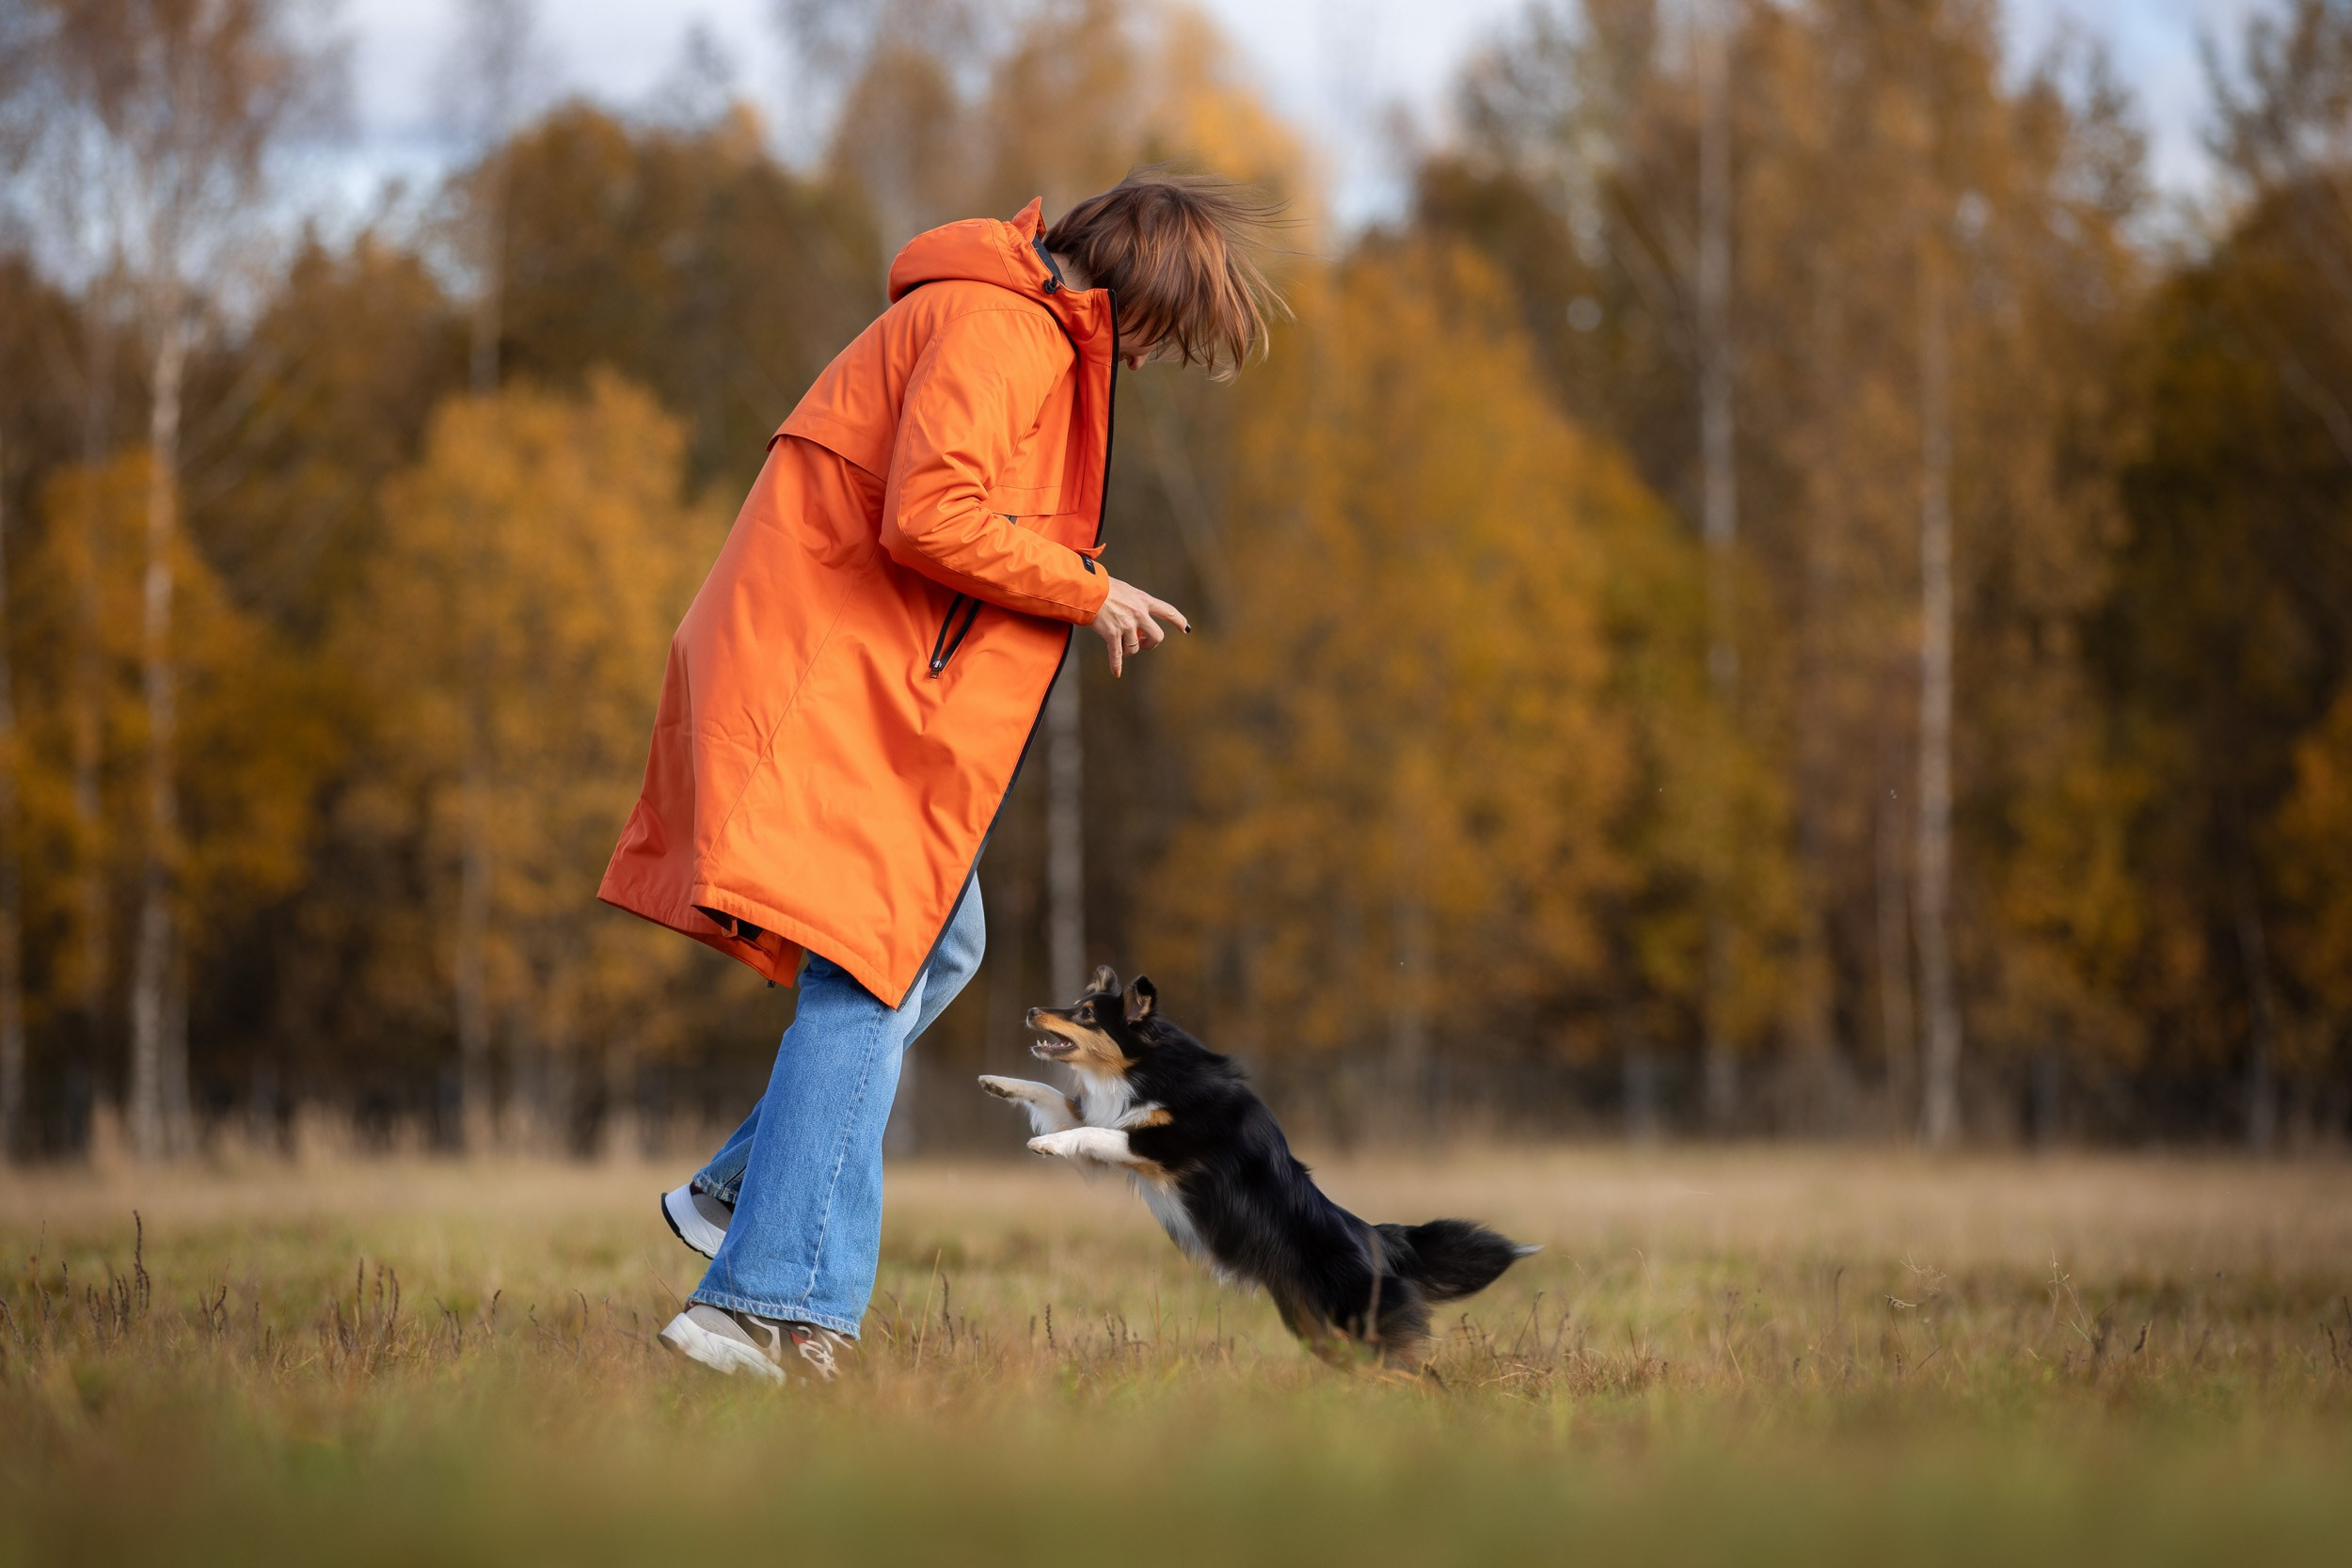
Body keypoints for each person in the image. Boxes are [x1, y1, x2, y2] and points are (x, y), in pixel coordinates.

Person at [596, 170, 1285, 1382]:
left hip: (839, 669)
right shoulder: (1006, 328)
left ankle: (736, 1195)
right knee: (878, 966)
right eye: (1167, 336)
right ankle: (760, 1302)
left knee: (940, 946)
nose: (1155, 361)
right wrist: (1091, 589)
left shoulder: (1002, 315)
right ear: (1135, 293)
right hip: (827, 676)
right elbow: (932, 513)